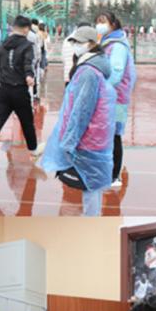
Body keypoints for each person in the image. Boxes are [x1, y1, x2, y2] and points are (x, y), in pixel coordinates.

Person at [39, 25, 114, 216]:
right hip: (93, 135)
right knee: (92, 185)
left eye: (80, 43)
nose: (76, 46)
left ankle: (91, 221)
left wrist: (69, 141)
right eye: (74, 42)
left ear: (91, 44)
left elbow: (82, 110)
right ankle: (91, 218)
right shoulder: (92, 66)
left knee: (90, 185)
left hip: (88, 138)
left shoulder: (88, 71)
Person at [0, 15, 43, 168]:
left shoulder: (3, 44)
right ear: (26, 29)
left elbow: (0, 64)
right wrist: (29, 76)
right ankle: (33, 151)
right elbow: (28, 63)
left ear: (14, 27)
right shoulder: (27, 45)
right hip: (19, 90)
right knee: (27, 122)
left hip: (4, 89)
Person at [95, 11, 136, 188]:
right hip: (108, 94)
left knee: (113, 135)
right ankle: (107, 171)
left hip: (115, 96)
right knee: (106, 133)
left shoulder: (117, 45)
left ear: (113, 24)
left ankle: (114, 175)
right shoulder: (106, 42)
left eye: (103, 21)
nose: (99, 24)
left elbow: (116, 73)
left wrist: (100, 89)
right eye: (97, 21)